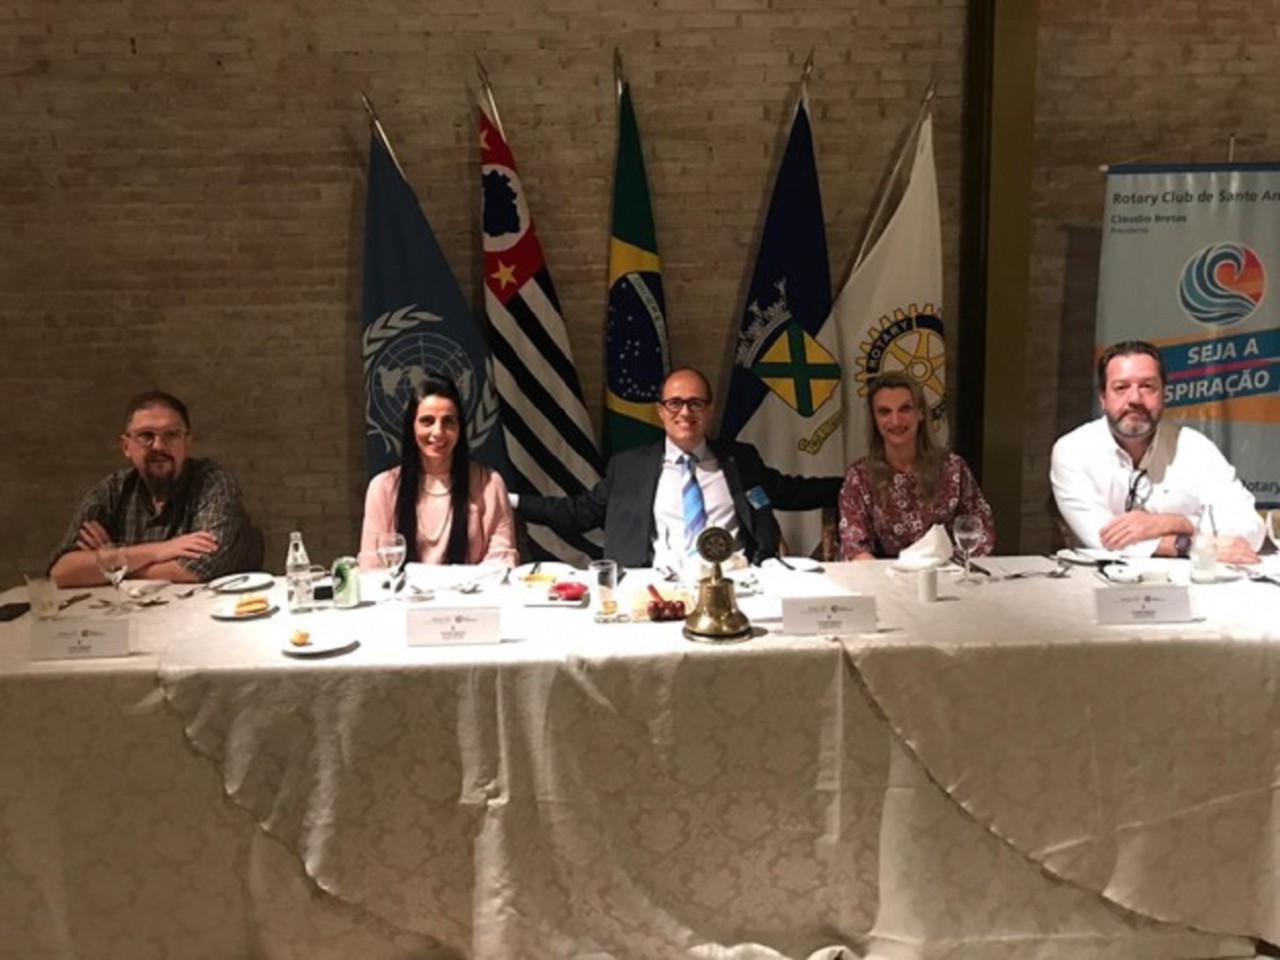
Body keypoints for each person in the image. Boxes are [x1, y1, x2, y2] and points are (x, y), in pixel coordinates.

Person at [514, 367, 842, 569]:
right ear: (660, 411)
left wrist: (856, 482)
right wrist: (511, 499)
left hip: (738, 585)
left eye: (695, 403)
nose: (685, 412)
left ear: (709, 410)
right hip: (655, 589)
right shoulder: (628, 467)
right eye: (674, 403)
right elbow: (578, 513)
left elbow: (792, 491)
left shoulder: (741, 460)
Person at [1051, 339, 1263, 562]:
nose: (1135, 399)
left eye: (1147, 386)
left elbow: (1251, 528)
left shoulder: (1196, 448)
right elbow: (1102, 539)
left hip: (1190, 579)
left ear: (1164, 394)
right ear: (1103, 398)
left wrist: (1172, 522)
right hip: (1099, 579)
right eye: (1121, 388)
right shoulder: (1072, 451)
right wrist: (1188, 544)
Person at [49, 391, 263, 586]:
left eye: (171, 434)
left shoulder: (212, 483)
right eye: (146, 435)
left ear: (187, 443)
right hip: (135, 613)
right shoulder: (111, 492)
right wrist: (161, 550)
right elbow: (61, 572)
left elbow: (197, 569)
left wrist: (113, 565)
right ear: (126, 446)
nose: (159, 446)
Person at [360, 374, 518, 566]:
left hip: (472, 587)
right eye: (427, 421)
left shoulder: (489, 483)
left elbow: (502, 561)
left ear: (460, 428)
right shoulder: (383, 487)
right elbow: (372, 566)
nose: (438, 432)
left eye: (448, 421)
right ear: (412, 427)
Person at [838, 370, 996, 560]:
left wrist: (949, 571)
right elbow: (855, 548)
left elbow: (981, 531)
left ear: (920, 413)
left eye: (905, 409)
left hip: (946, 572)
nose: (896, 421)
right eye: (885, 412)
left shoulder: (954, 469)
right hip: (885, 575)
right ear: (874, 420)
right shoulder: (859, 476)